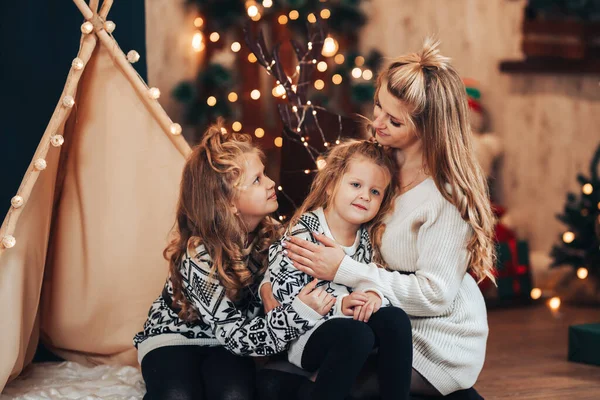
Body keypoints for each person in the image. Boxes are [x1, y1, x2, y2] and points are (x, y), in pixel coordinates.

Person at [276, 38, 495, 400]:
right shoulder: (381, 164)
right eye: (378, 106)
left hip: (436, 339)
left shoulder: (446, 198)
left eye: (393, 120)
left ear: (428, 128)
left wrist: (343, 270)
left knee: (330, 388)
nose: (376, 122)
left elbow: (436, 296)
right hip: (383, 318)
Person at [134, 122, 335, 400]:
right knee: (177, 395)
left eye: (264, 175)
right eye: (257, 180)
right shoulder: (199, 255)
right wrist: (299, 312)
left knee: (235, 395)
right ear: (227, 202)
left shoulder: (275, 237)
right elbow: (238, 337)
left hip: (224, 344)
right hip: (175, 337)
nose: (270, 183)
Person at [260, 139, 413, 400]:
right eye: (356, 185)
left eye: (375, 192)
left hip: (350, 325)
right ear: (331, 185)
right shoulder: (305, 233)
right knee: (357, 334)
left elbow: (371, 277)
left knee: (396, 319)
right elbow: (284, 295)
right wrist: (341, 305)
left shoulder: (365, 238)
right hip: (306, 335)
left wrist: (374, 295)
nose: (365, 195)